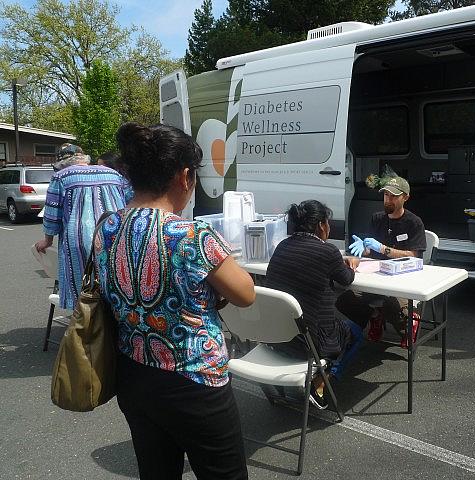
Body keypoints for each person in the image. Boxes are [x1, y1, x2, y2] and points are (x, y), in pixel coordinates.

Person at [94, 122, 255, 480]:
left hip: (132, 371)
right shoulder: (191, 235)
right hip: (193, 378)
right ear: (184, 177)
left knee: (156, 472)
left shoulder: (106, 226)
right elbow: (245, 294)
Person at [265, 200, 362, 409]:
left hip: (276, 338)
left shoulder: (282, 246)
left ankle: (313, 378)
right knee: (355, 332)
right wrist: (352, 264)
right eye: (328, 223)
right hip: (309, 344)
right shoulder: (328, 252)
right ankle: (320, 384)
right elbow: (346, 279)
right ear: (321, 225)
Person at [34, 144, 132, 309]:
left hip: (79, 240)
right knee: (113, 283)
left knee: (82, 289)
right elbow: (130, 198)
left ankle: (85, 328)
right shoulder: (113, 173)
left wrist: (47, 240)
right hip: (115, 235)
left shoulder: (61, 177)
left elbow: (52, 214)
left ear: (61, 162)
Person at [337, 175, 426, 347]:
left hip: (403, 279)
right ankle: (374, 317)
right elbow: (371, 250)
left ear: (405, 197)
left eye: (393, 196)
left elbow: (414, 255)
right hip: (376, 276)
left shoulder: (414, 223)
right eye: (386, 195)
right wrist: (363, 249)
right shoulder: (377, 218)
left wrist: (383, 249)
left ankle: (408, 323)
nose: (388, 200)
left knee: (390, 302)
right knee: (344, 300)